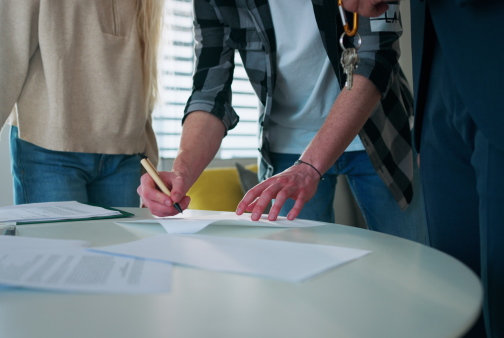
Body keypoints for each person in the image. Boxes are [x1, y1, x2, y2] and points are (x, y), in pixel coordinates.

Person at [138, 0, 427, 244]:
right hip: (287, 149)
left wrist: (310, 167)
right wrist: (181, 173)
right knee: (299, 280)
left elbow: (376, 58)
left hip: (379, 134)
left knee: (412, 261)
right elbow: (210, 92)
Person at [342, 1, 503, 337]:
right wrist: (427, 132)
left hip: (495, 57)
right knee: (456, 297)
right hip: (439, 79)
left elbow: (378, 44)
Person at [0, 0, 163, 210]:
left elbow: (142, 81)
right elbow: (0, 58)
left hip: (126, 160)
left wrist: (151, 166)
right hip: (49, 154)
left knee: (122, 250)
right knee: (57, 250)